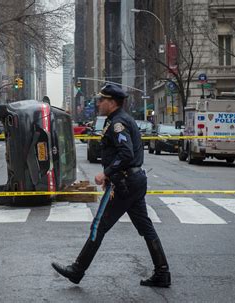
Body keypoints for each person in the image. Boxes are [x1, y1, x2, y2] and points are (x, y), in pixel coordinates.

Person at [51, 83, 171, 288]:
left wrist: (106, 173)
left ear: (112, 102)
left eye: (102, 100)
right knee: (145, 227)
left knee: (98, 225)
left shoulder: (118, 123)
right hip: (133, 181)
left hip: (124, 183)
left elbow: (126, 154)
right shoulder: (116, 120)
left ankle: (77, 270)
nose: (99, 103)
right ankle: (162, 272)